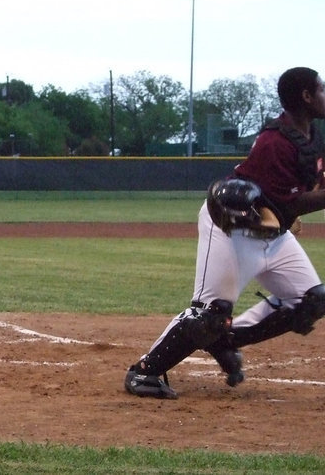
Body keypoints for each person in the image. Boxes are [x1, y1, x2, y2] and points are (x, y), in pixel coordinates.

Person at [124, 66, 325, 399]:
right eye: (320, 89)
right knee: (208, 316)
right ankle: (144, 372)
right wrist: (297, 205)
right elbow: (291, 203)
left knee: (310, 300)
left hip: (272, 232)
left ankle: (225, 341)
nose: (323, 95)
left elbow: (304, 189)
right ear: (305, 97)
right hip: (232, 230)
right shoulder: (275, 142)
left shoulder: (311, 136)